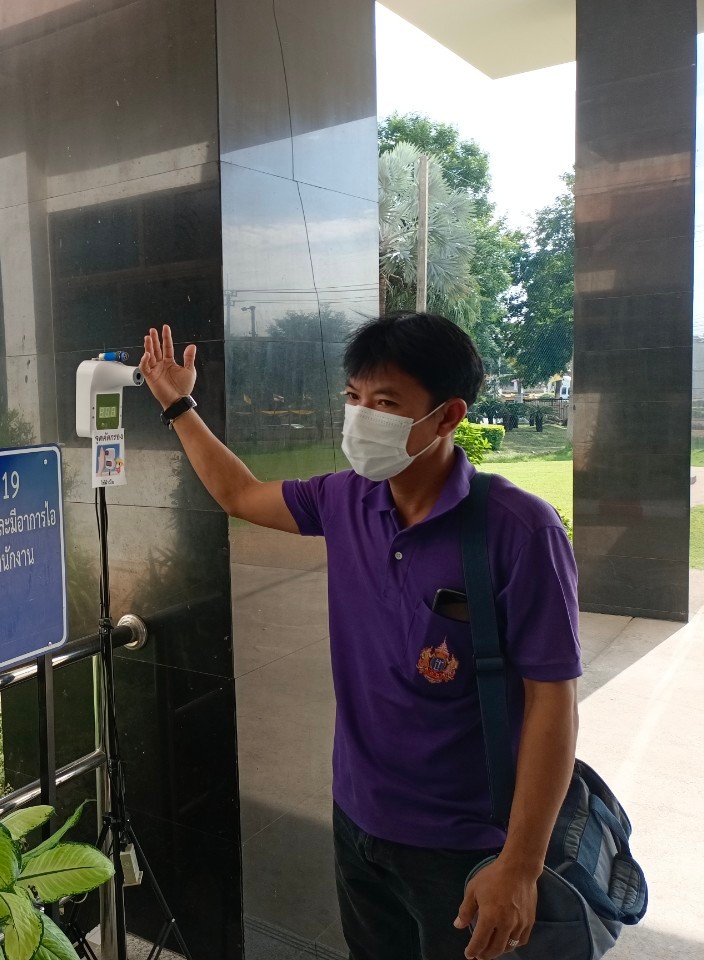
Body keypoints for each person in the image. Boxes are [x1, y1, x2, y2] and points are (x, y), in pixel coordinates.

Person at [139, 314, 580, 960]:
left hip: (466, 845)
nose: (361, 416)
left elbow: (552, 701)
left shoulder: (519, 530)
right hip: (358, 821)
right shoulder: (343, 500)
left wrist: (520, 864)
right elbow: (239, 494)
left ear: (448, 416)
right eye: (353, 397)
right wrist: (178, 404)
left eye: (386, 403)